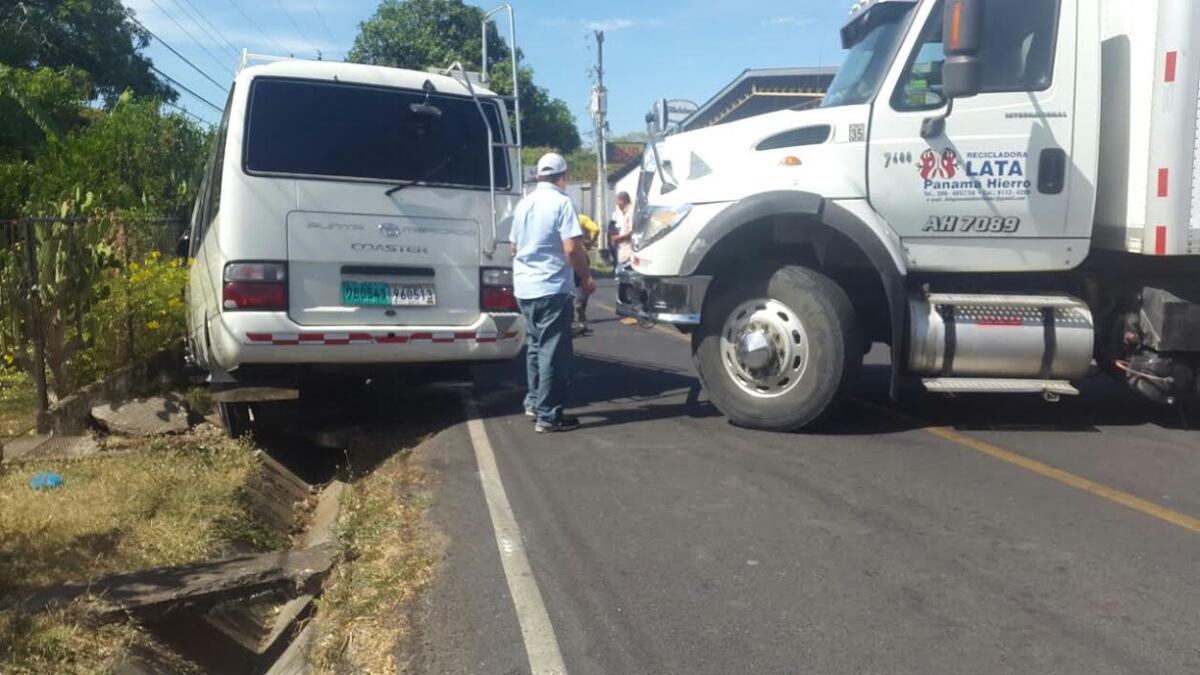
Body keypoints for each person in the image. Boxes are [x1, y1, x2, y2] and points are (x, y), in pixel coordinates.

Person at [510, 153, 597, 433]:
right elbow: (572, 248)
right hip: (550, 286)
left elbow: (514, 247)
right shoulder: (562, 203)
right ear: (563, 176)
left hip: (524, 287)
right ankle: (549, 415)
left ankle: (534, 402)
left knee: (536, 346)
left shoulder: (524, 204)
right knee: (554, 352)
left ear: (538, 176)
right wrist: (585, 278)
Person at [573, 213, 602, 335]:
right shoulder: (582, 219)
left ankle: (570, 314)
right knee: (582, 283)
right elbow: (596, 229)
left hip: (566, 256)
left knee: (571, 285)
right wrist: (591, 241)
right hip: (582, 253)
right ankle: (581, 315)